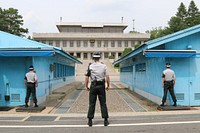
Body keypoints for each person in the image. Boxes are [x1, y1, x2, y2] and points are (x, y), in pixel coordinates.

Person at [85, 52, 110, 127]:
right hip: (101, 86)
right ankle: (105, 120)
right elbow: (107, 77)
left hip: (93, 86)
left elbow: (87, 77)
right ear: (99, 58)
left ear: (93, 58)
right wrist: (108, 85)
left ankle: (90, 121)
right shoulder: (104, 66)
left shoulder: (90, 66)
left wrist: (86, 86)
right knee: (103, 103)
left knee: (92, 103)